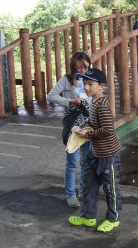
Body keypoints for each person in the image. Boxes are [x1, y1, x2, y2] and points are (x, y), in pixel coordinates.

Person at [68, 68, 122, 233]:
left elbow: (108, 130)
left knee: (110, 188)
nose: (86, 87)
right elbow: (93, 123)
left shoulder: (102, 106)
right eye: (84, 84)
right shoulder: (94, 102)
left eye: (90, 84)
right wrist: (82, 129)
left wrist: (88, 134)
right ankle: (88, 216)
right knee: (88, 185)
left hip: (109, 155)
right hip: (95, 152)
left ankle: (113, 219)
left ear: (101, 86)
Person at [46, 51, 92, 208]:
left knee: (86, 161)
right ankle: (70, 195)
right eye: (78, 67)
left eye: (85, 66)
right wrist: (70, 101)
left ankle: (83, 190)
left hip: (89, 124)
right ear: (73, 66)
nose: (82, 70)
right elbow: (51, 96)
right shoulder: (67, 79)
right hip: (73, 125)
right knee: (72, 162)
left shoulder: (91, 79)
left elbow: (96, 98)